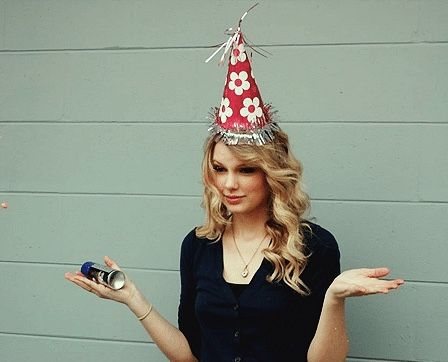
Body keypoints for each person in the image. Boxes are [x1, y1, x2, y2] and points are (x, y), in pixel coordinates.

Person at [65, 9, 404, 362]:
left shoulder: (313, 246)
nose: (228, 183)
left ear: (272, 173)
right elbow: (189, 355)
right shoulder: (197, 246)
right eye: (219, 168)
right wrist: (133, 298)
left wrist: (335, 298)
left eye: (245, 170)